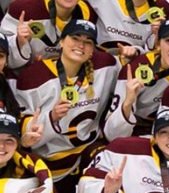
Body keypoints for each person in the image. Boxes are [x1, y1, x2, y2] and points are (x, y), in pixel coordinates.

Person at [12, 18, 120, 180]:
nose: (81, 45)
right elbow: (25, 133)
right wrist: (51, 117)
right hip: (49, 159)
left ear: (92, 50)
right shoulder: (34, 76)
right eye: (75, 38)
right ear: (61, 42)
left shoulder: (106, 66)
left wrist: (136, 52)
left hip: (87, 151)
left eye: (88, 42)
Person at [107, 20, 169, 138]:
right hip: (136, 131)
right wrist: (127, 103)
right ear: (158, 43)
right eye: (168, 40)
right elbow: (112, 136)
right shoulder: (135, 69)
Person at [2, 0, 95, 68]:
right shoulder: (23, 9)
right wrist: (19, 42)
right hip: (23, 74)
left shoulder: (89, 14)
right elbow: (1, 51)